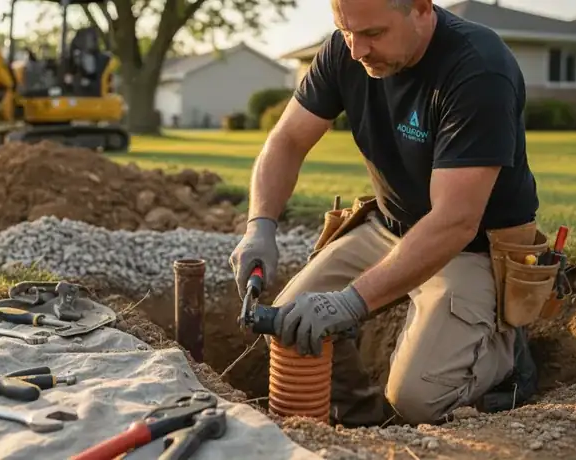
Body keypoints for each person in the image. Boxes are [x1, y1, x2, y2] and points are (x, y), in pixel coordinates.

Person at [229, 0, 544, 427]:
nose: (357, 50)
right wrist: (260, 226)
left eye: (373, 34)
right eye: (345, 32)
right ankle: (362, 421)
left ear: (420, 9)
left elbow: (455, 220)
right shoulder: (347, 48)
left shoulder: (478, 69)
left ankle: (507, 358)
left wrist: (350, 301)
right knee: (292, 323)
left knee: (418, 400)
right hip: (391, 226)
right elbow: (286, 141)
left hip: (473, 247)